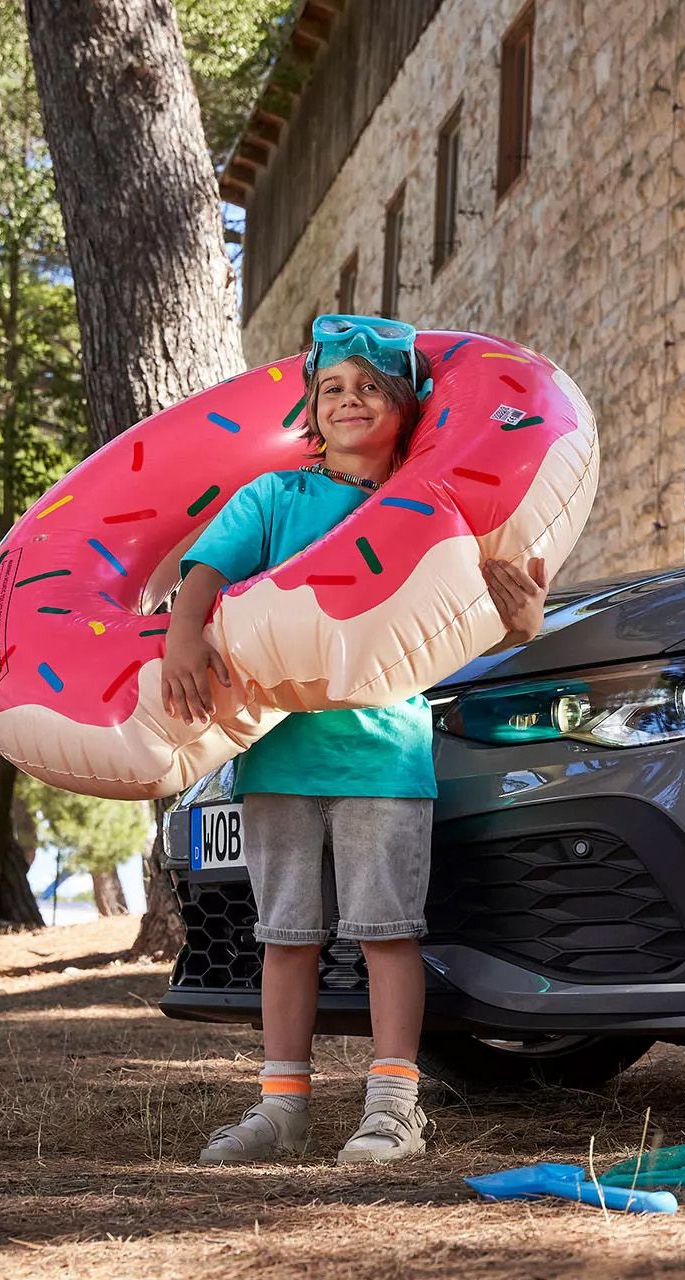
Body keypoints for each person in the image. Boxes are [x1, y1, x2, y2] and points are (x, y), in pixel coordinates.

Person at [161, 313, 550, 1165]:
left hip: (384, 754)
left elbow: (477, 622)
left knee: (387, 934)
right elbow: (204, 574)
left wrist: (524, 624)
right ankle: (282, 1109)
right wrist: (183, 637)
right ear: (311, 408)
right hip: (279, 756)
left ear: (407, 408)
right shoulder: (275, 499)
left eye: (372, 387)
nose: (350, 399)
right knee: (286, 937)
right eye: (332, 387)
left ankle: (394, 1109)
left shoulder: (437, 511)